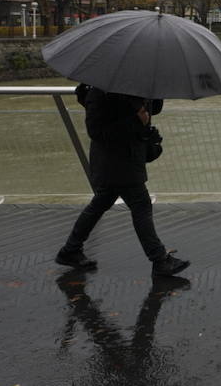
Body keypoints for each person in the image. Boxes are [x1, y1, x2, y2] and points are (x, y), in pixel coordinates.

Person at [56, 84, 191, 276]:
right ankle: (159, 260)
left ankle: (70, 250)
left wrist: (154, 93)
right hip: (115, 161)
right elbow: (96, 132)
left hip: (125, 159)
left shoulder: (130, 85)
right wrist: (136, 121)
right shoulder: (99, 92)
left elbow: (154, 109)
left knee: (102, 202)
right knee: (141, 205)